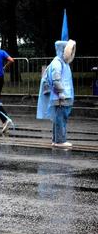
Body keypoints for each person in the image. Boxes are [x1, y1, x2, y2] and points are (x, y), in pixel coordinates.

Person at [37, 11, 76, 148]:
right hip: (60, 97)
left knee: (60, 118)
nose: (71, 53)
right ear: (63, 49)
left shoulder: (62, 63)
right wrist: (61, 93)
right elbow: (56, 78)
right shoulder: (57, 63)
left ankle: (56, 139)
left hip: (62, 96)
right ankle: (60, 140)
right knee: (60, 118)